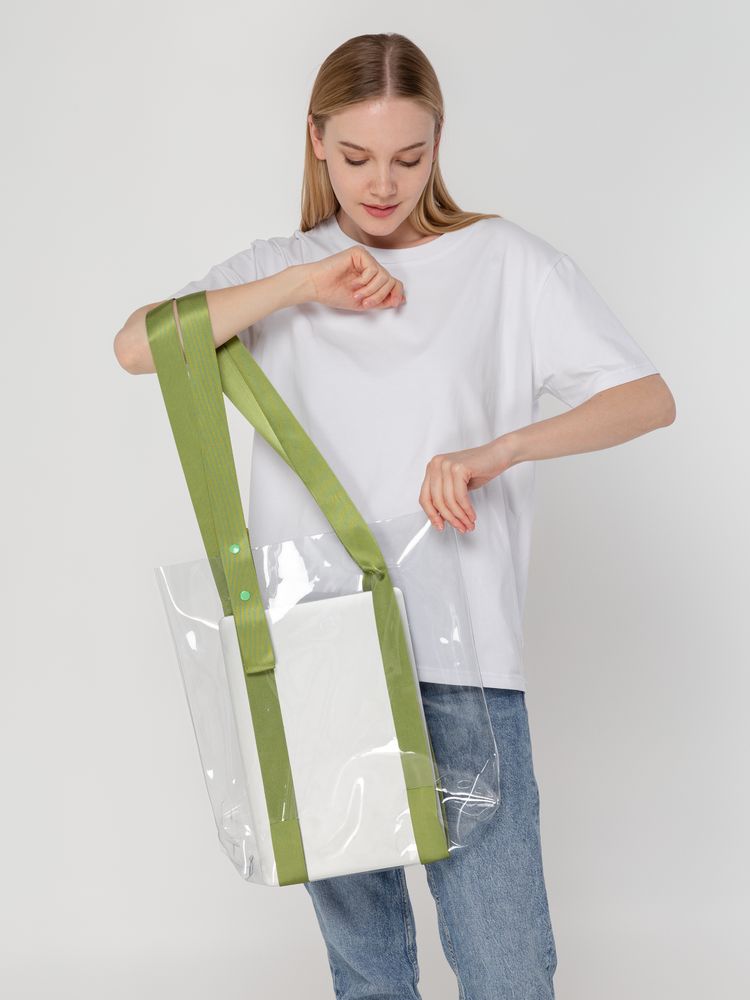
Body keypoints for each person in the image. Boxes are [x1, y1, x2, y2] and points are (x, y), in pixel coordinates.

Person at [114, 30, 675, 1000]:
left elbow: (646, 399)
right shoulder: (279, 270)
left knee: (507, 963)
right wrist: (306, 281)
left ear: (438, 144)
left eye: (409, 158)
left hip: (463, 658)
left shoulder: (503, 262)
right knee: (367, 969)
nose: (382, 184)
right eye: (357, 156)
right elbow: (138, 346)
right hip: (317, 656)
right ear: (316, 142)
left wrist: (501, 449)